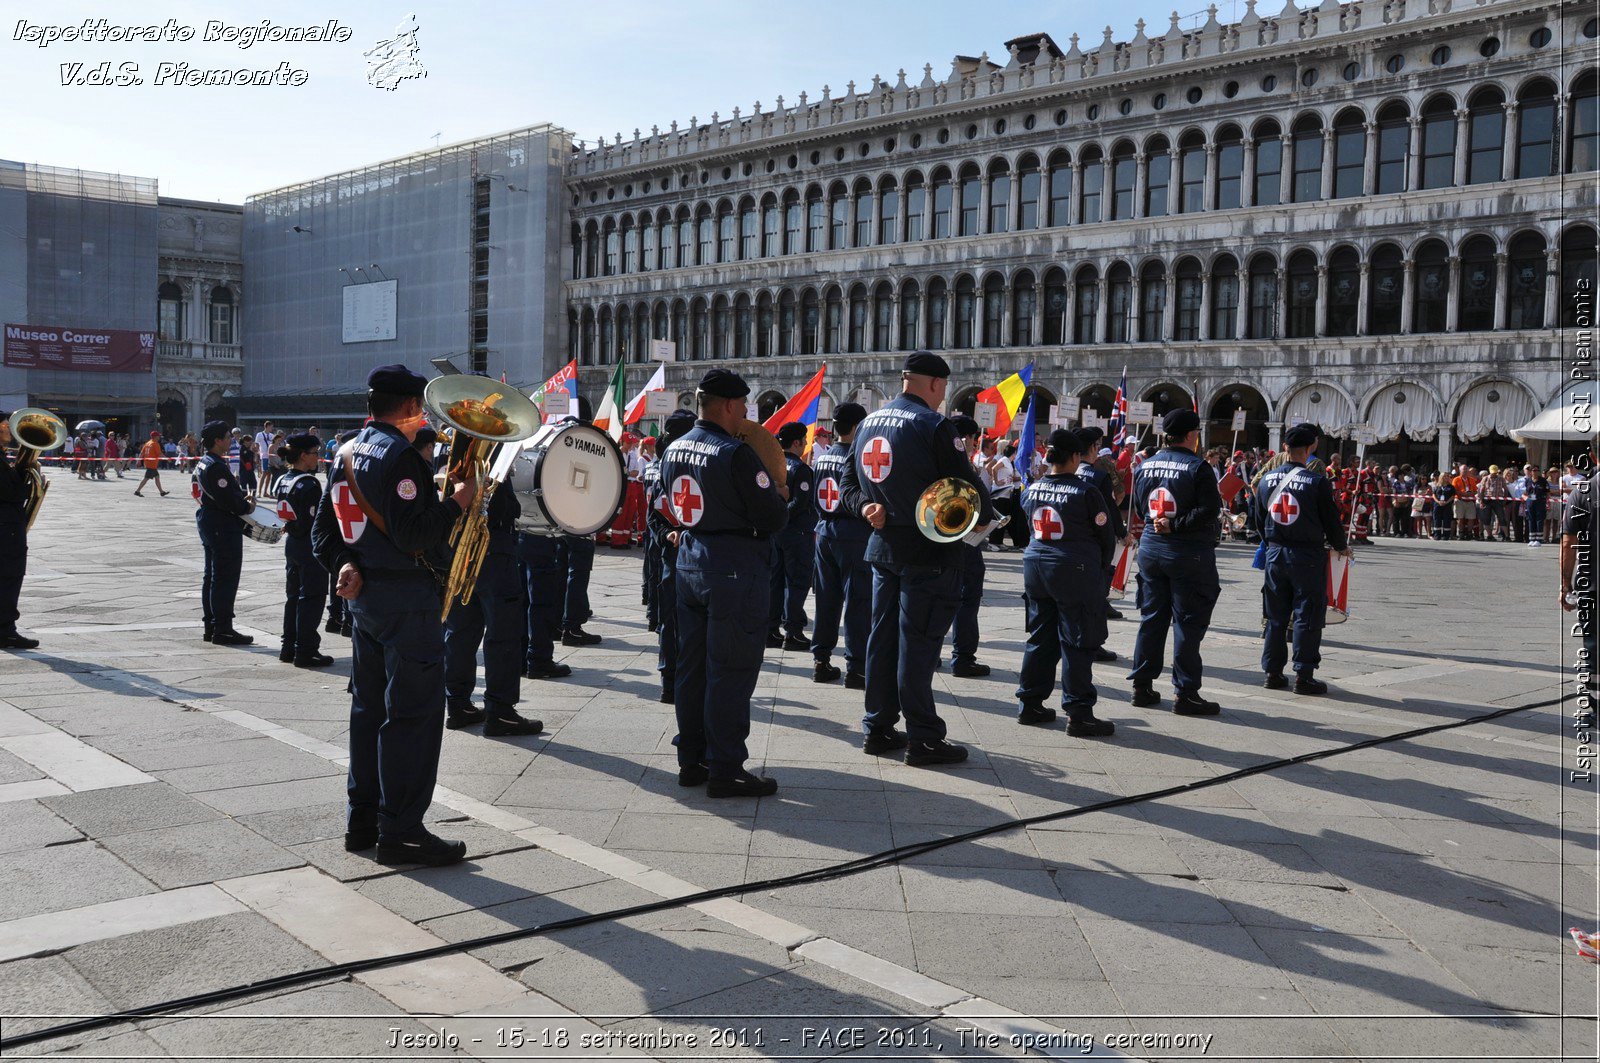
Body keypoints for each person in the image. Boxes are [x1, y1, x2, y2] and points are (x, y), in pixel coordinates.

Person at [311, 364, 476, 867]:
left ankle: (362, 818)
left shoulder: (344, 450)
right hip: (406, 599)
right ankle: (402, 828)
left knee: (368, 710)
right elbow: (412, 535)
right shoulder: (402, 457)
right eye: (420, 407)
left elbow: (323, 532)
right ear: (409, 409)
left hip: (366, 600)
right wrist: (457, 504)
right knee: (413, 715)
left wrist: (344, 564)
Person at [840, 351, 994, 767]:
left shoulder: (869, 421)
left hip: (882, 548)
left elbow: (847, 483)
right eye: (943, 387)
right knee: (919, 646)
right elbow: (968, 488)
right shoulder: (933, 425)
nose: (943, 395)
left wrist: (863, 508)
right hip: (929, 551)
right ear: (933, 384)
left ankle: (878, 727)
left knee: (882, 640)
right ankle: (924, 737)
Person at [660, 368, 787, 797]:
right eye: (744, 407)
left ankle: (691, 758)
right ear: (730, 406)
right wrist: (783, 496)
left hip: (690, 563)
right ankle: (726, 766)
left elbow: (671, 504)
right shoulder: (734, 453)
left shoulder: (674, 447)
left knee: (691, 668)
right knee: (730, 670)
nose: (746, 415)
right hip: (734, 567)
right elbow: (772, 516)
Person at [1015, 429, 1117, 735]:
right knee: (1078, 640)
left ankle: (1030, 703)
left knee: (1040, 637)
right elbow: (1105, 537)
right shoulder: (1086, 492)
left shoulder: (1031, 488)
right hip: (1074, 570)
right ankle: (1079, 711)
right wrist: (1099, 571)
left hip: (1036, 568)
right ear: (1075, 457)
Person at [1126, 408, 1224, 715]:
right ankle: (1186, 692)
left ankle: (1142, 686)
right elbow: (1210, 509)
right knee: (1188, 624)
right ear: (1192, 435)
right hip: (1187, 552)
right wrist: (1177, 524)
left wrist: (1163, 523)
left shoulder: (1145, 465)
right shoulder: (1199, 467)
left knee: (1152, 619)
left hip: (1152, 550)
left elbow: (1142, 509)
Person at [444, 467, 546, 736]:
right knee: (504, 633)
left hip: (459, 550)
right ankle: (500, 711)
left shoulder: (453, 453)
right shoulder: (493, 455)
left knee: (460, 631)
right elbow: (504, 509)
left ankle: (458, 703)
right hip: (494, 550)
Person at [1252, 423, 1352, 696]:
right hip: (1306, 555)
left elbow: (1259, 520)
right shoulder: (1317, 481)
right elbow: (1331, 521)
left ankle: (1272, 673)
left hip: (1275, 553)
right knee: (1307, 616)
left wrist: (1273, 541)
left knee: (1275, 616)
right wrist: (1341, 546)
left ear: (1285, 447)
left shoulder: (1267, 479)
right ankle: (1303, 675)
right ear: (1310, 449)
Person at [810, 402, 871, 687]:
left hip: (824, 531)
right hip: (853, 532)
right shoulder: (859, 457)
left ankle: (821, 661)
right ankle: (856, 667)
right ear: (858, 427)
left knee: (826, 599)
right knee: (858, 601)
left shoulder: (821, 457)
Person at [645, 410, 697, 701]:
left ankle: (688, 680)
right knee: (672, 622)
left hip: (698, 559)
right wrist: (667, 534)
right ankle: (670, 681)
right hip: (675, 559)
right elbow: (654, 517)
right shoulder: (665, 470)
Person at [272, 435, 333, 668]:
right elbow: (315, 521)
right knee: (312, 597)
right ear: (303, 455)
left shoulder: (285, 479)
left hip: (293, 543)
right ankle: (306, 649)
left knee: (293, 597)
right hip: (309, 545)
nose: (318, 458)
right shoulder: (309, 483)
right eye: (315, 453)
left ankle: (289, 646)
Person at [192, 420, 254, 646]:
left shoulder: (204, 462)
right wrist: (247, 506)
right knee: (225, 578)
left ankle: (212, 625)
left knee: (212, 576)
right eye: (228, 436)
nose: (231, 440)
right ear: (217, 441)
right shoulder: (216, 466)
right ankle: (223, 628)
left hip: (209, 520)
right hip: (222, 524)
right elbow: (230, 501)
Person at [945, 415, 993, 677]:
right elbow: (982, 506)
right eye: (973, 438)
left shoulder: (933, 462)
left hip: (939, 541)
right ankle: (963, 658)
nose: (976, 442)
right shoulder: (964, 466)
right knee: (967, 600)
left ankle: (929, 656)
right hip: (964, 542)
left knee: (938, 599)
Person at [1076, 427, 1132, 640]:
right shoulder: (1099, 476)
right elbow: (1108, 510)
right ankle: (1094, 640)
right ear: (1092, 447)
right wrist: (1122, 533)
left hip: (1068, 543)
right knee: (1095, 592)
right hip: (1094, 542)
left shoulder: (1064, 472)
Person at [768, 421, 817, 650]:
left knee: (776, 582)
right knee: (796, 583)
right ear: (796, 442)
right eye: (804, 441)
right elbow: (800, 502)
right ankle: (793, 632)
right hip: (796, 533)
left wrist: (775, 517)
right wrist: (782, 515)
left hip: (777, 532)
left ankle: (771, 629)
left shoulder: (772, 464)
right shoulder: (801, 469)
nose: (806, 444)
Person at [558, 397, 602, 646]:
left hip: (558, 516)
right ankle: (572, 626)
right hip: (582, 516)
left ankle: (559, 622)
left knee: (561, 570)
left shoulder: (558, 438)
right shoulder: (591, 439)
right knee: (578, 573)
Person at [1559, 453, 1597, 727]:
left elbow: (1568, 543)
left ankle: (1592, 704)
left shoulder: (1582, 493)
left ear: (1594, 455)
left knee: (1593, 647)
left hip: (1592, 584)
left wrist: (1565, 585)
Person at [0, 412, 40, 650]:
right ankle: (5, 630)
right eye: (5, 425)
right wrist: (26, 478)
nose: (9, 430)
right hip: (5, 525)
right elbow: (9, 492)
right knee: (9, 576)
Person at [133, 431, 170, 497]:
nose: (159, 437)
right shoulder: (155, 444)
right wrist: (167, 459)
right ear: (155, 437)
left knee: (157, 477)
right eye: (158, 436)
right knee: (146, 478)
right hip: (152, 464)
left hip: (148, 463)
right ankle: (137, 491)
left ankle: (161, 492)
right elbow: (160, 454)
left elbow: (142, 453)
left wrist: (139, 461)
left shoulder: (147, 443)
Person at [1526, 465, 1551, 546]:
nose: (1534, 472)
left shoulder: (1543, 481)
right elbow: (1526, 492)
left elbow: (1547, 493)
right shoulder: (1528, 480)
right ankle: (1532, 539)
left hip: (1540, 502)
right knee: (1531, 519)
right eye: (1533, 470)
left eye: (1536, 470)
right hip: (1530, 502)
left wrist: (1547, 503)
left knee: (1539, 520)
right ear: (1530, 472)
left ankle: (1539, 539)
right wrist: (1526, 498)